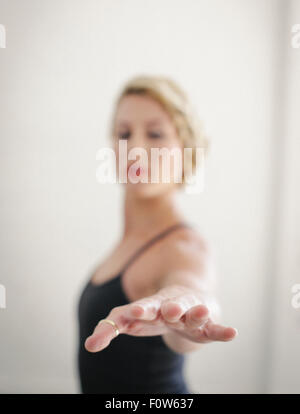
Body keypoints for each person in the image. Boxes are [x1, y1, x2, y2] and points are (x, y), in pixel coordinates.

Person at [77, 74, 238, 394]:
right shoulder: (129, 242)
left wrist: (189, 311)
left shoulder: (183, 247)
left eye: (155, 134)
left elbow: (191, 288)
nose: (136, 149)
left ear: (187, 149)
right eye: (124, 134)